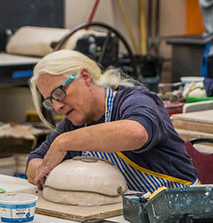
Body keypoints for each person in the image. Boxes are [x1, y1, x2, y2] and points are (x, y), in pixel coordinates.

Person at [26, 50, 199, 193]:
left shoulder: (136, 100)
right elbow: (33, 163)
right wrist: (46, 172)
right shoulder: (75, 122)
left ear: (85, 77)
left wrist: (64, 142)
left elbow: (136, 133)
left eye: (59, 93)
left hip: (183, 211)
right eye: (50, 101)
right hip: (132, 218)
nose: (57, 107)